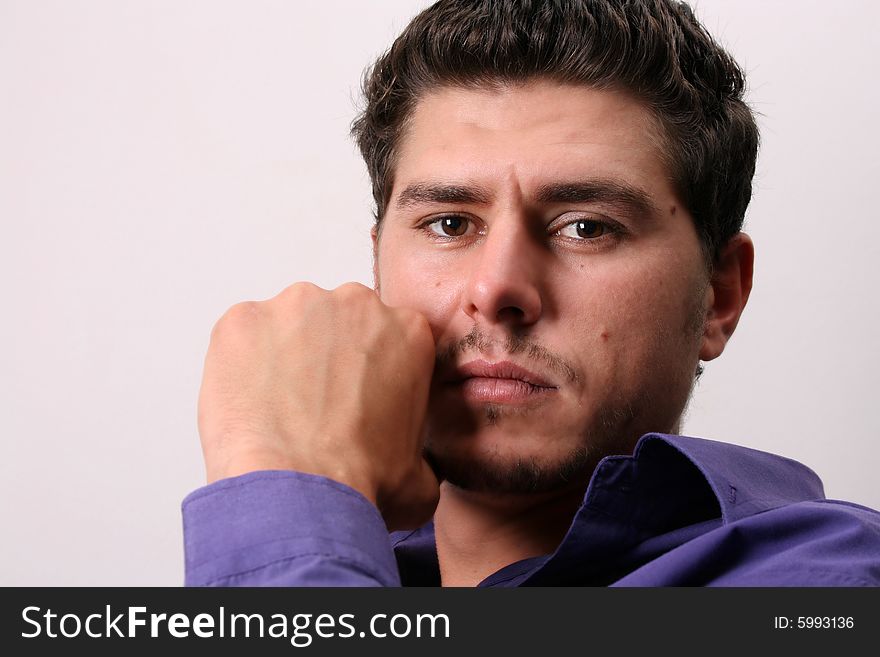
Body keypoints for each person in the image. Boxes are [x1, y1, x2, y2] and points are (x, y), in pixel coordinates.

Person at [182, 0, 880, 586]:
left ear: (720, 296)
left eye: (586, 227)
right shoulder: (345, 559)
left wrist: (282, 487)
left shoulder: (834, 579)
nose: (497, 288)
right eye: (450, 224)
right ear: (379, 267)